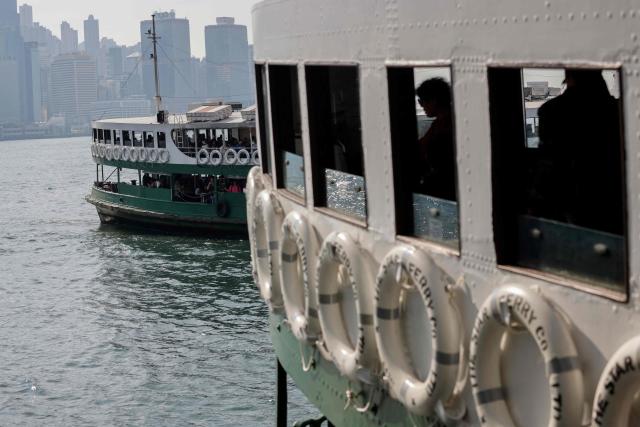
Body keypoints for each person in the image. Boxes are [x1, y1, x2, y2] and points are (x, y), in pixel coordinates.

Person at [535, 69, 623, 234]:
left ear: (569, 79)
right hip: (608, 192)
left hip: (569, 194)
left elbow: (549, 160)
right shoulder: (614, 110)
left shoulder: (551, 110)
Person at [415, 78, 456, 201]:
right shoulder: (439, 123)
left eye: (422, 101)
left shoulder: (445, 125)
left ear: (434, 101)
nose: (421, 106)